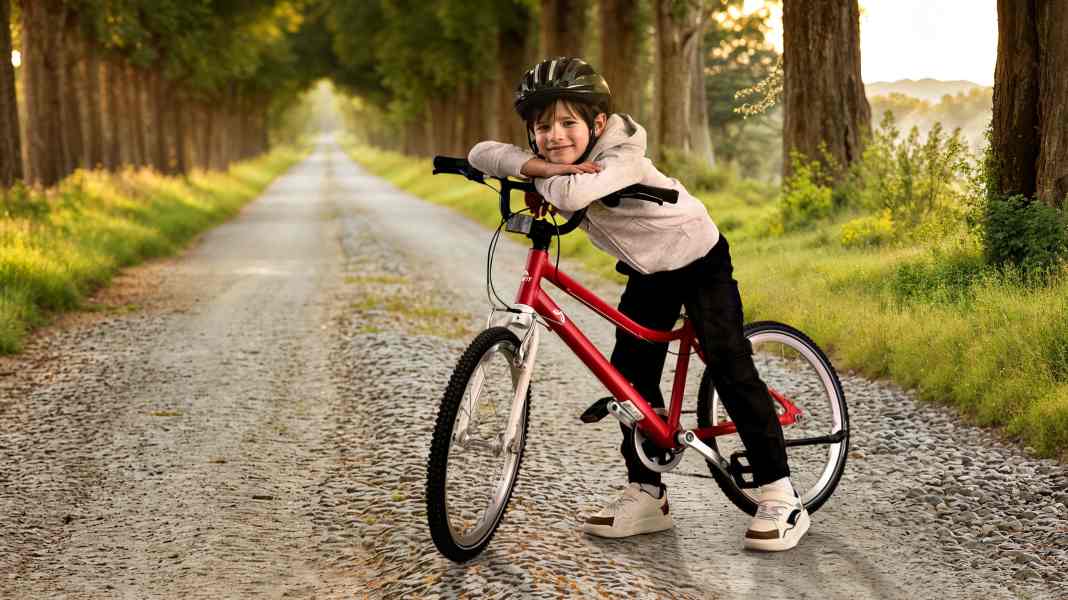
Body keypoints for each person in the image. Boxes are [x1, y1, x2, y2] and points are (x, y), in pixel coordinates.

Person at [467, 57, 808, 552]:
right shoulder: (556, 156)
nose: (556, 135)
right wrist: (539, 165)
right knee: (627, 377)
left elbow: (573, 190)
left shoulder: (623, 151)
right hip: (650, 270)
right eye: (543, 128)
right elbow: (481, 152)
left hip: (697, 258)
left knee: (728, 362)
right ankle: (648, 494)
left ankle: (781, 494)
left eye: (569, 123)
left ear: (598, 124)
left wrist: (538, 176)